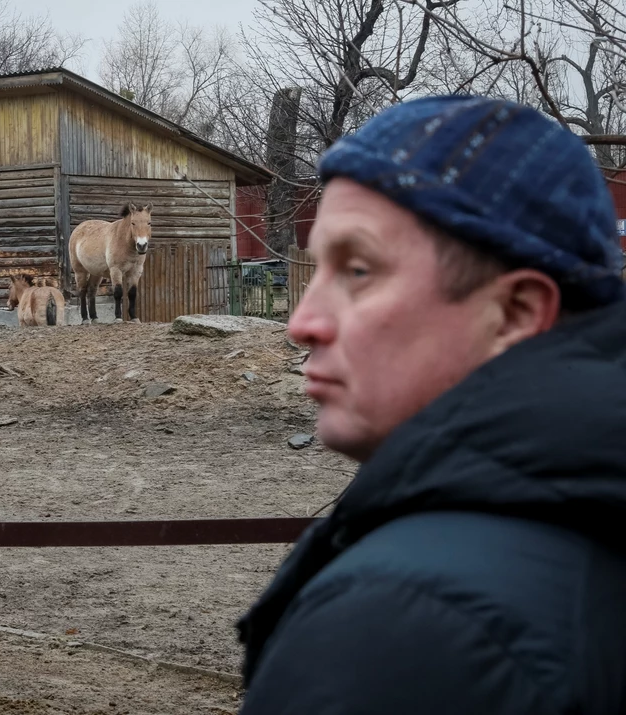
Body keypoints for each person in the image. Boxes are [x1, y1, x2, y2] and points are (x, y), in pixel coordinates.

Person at [236, 95, 626, 714]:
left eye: (358, 270)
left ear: (515, 314)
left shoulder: (408, 626)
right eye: (315, 272)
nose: (302, 322)